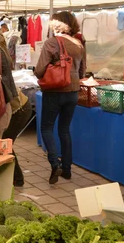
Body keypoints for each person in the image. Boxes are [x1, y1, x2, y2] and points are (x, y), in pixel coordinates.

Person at [34, 11, 86, 184]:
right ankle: (67, 169)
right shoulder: (78, 44)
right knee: (64, 130)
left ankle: (54, 163)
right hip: (72, 92)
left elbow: (40, 70)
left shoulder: (52, 42)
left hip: (54, 92)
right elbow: (81, 72)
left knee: (47, 128)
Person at [2, 89, 33, 187]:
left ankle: (17, 179)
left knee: (5, 143)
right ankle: (14, 177)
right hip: (16, 108)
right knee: (5, 143)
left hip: (20, 109)